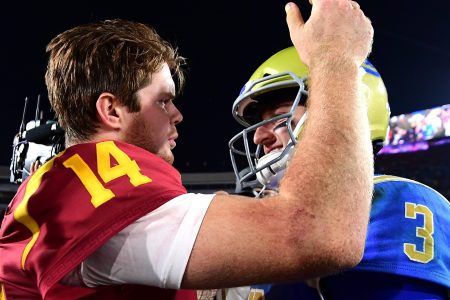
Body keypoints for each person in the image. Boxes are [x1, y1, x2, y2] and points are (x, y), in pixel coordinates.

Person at [0, 1, 376, 298]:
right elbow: (321, 234)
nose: (178, 115)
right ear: (111, 111)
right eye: (163, 101)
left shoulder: (65, 187)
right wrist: (336, 57)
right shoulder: (99, 179)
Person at [223, 46, 450, 299]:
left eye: (278, 118)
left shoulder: (394, 200)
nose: (258, 136)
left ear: (345, 111)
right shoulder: (273, 219)